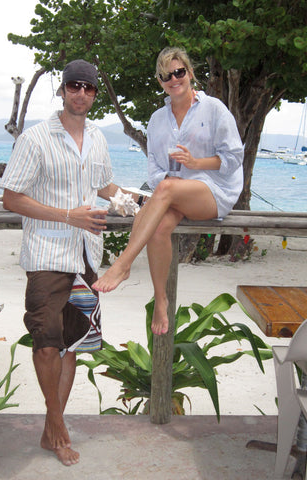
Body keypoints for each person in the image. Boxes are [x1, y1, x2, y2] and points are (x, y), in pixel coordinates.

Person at [0, 59, 142, 466]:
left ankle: (51, 432)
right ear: (62, 90)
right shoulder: (35, 138)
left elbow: (101, 184)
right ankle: (58, 425)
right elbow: (11, 197)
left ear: (95, 94)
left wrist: (134, 202)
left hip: (86, 256)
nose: (81, 93)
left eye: (89, 88)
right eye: (74, 86)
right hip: (47, 253)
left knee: (71, 345)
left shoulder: (98, 138)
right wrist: (69, 215)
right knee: (46, 342)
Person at [92, 47, 244, 336]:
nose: (174, 79)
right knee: (159, 225)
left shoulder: (213, 109)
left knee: (165, 189)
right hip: (174, 193)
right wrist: (171, 184)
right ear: (160, 80)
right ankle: (160, 300)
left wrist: (196, 163)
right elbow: (155, 169)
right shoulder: (157, 120)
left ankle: (123, 265)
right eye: (166, 75)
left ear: (189, 72)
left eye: (179, 72)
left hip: (214, 191)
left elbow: (235, 157)